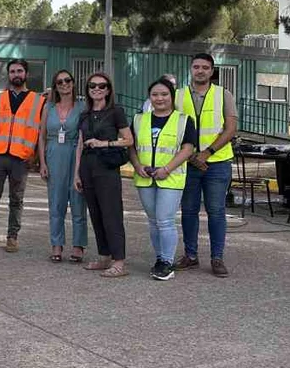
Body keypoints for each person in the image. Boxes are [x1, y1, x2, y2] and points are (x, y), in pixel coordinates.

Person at [175, 53, 237, 277]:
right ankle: (190, 255)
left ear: (212, 71)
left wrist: (207, 153)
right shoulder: (178, 96)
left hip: (217, 163)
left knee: (216, 211)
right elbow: (173, 129)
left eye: (205, 67)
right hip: (188, 163)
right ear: (190, 69)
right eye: (196, 67)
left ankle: (217, 258)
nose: (200, 71)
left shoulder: (223, 95)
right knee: (189, 211)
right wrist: (192, 156)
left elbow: (230, 129)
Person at [130, 78, 196, 281]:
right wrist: (137, 165)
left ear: (172, 96)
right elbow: (131, 147)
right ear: (150, 97)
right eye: (155, 94)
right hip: (145, 178)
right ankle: (159, 258)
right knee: (153, 221)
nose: (160, 98)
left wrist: (167, 169)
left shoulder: (184, 120)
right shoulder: (139, 119)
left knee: (165, 220)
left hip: (170, 178)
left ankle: (167, 262)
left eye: (164, 94)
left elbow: (188, 148)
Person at [74, 72, 133, 278]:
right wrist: (76, 174)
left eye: (101, 86)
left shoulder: (116, 111)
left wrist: (105, 143)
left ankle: (119, 261)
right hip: (88, 167)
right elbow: (80, 144)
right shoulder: (85, 115)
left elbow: (128, 140)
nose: (96, 89)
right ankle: (105, 256)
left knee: (111, 214)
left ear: (108, 89)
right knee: (96, 214)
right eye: (92, 86)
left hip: (107, 167)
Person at [0, 58, 44, 253]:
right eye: (12, 72)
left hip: (21, 158)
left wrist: (35, 157)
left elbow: (42, 132)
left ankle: (12, 237)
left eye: (19, 71)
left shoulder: (38, 101)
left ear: (26, 74)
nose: (16, 75)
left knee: (17, 200)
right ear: (8, 75)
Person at [38, 69, 87, 263]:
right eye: (59, 82)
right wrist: (42, 162)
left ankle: (78, 245)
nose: (64, 84)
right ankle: (56, 244)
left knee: (77, 200)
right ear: (55, 86)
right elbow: (41, 137)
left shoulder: (82, 107)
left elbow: (84, 136)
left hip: (75, 152)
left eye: (67, 80)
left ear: (73, 83)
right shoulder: (48, 108)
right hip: (53, 153)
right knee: (56, 202)